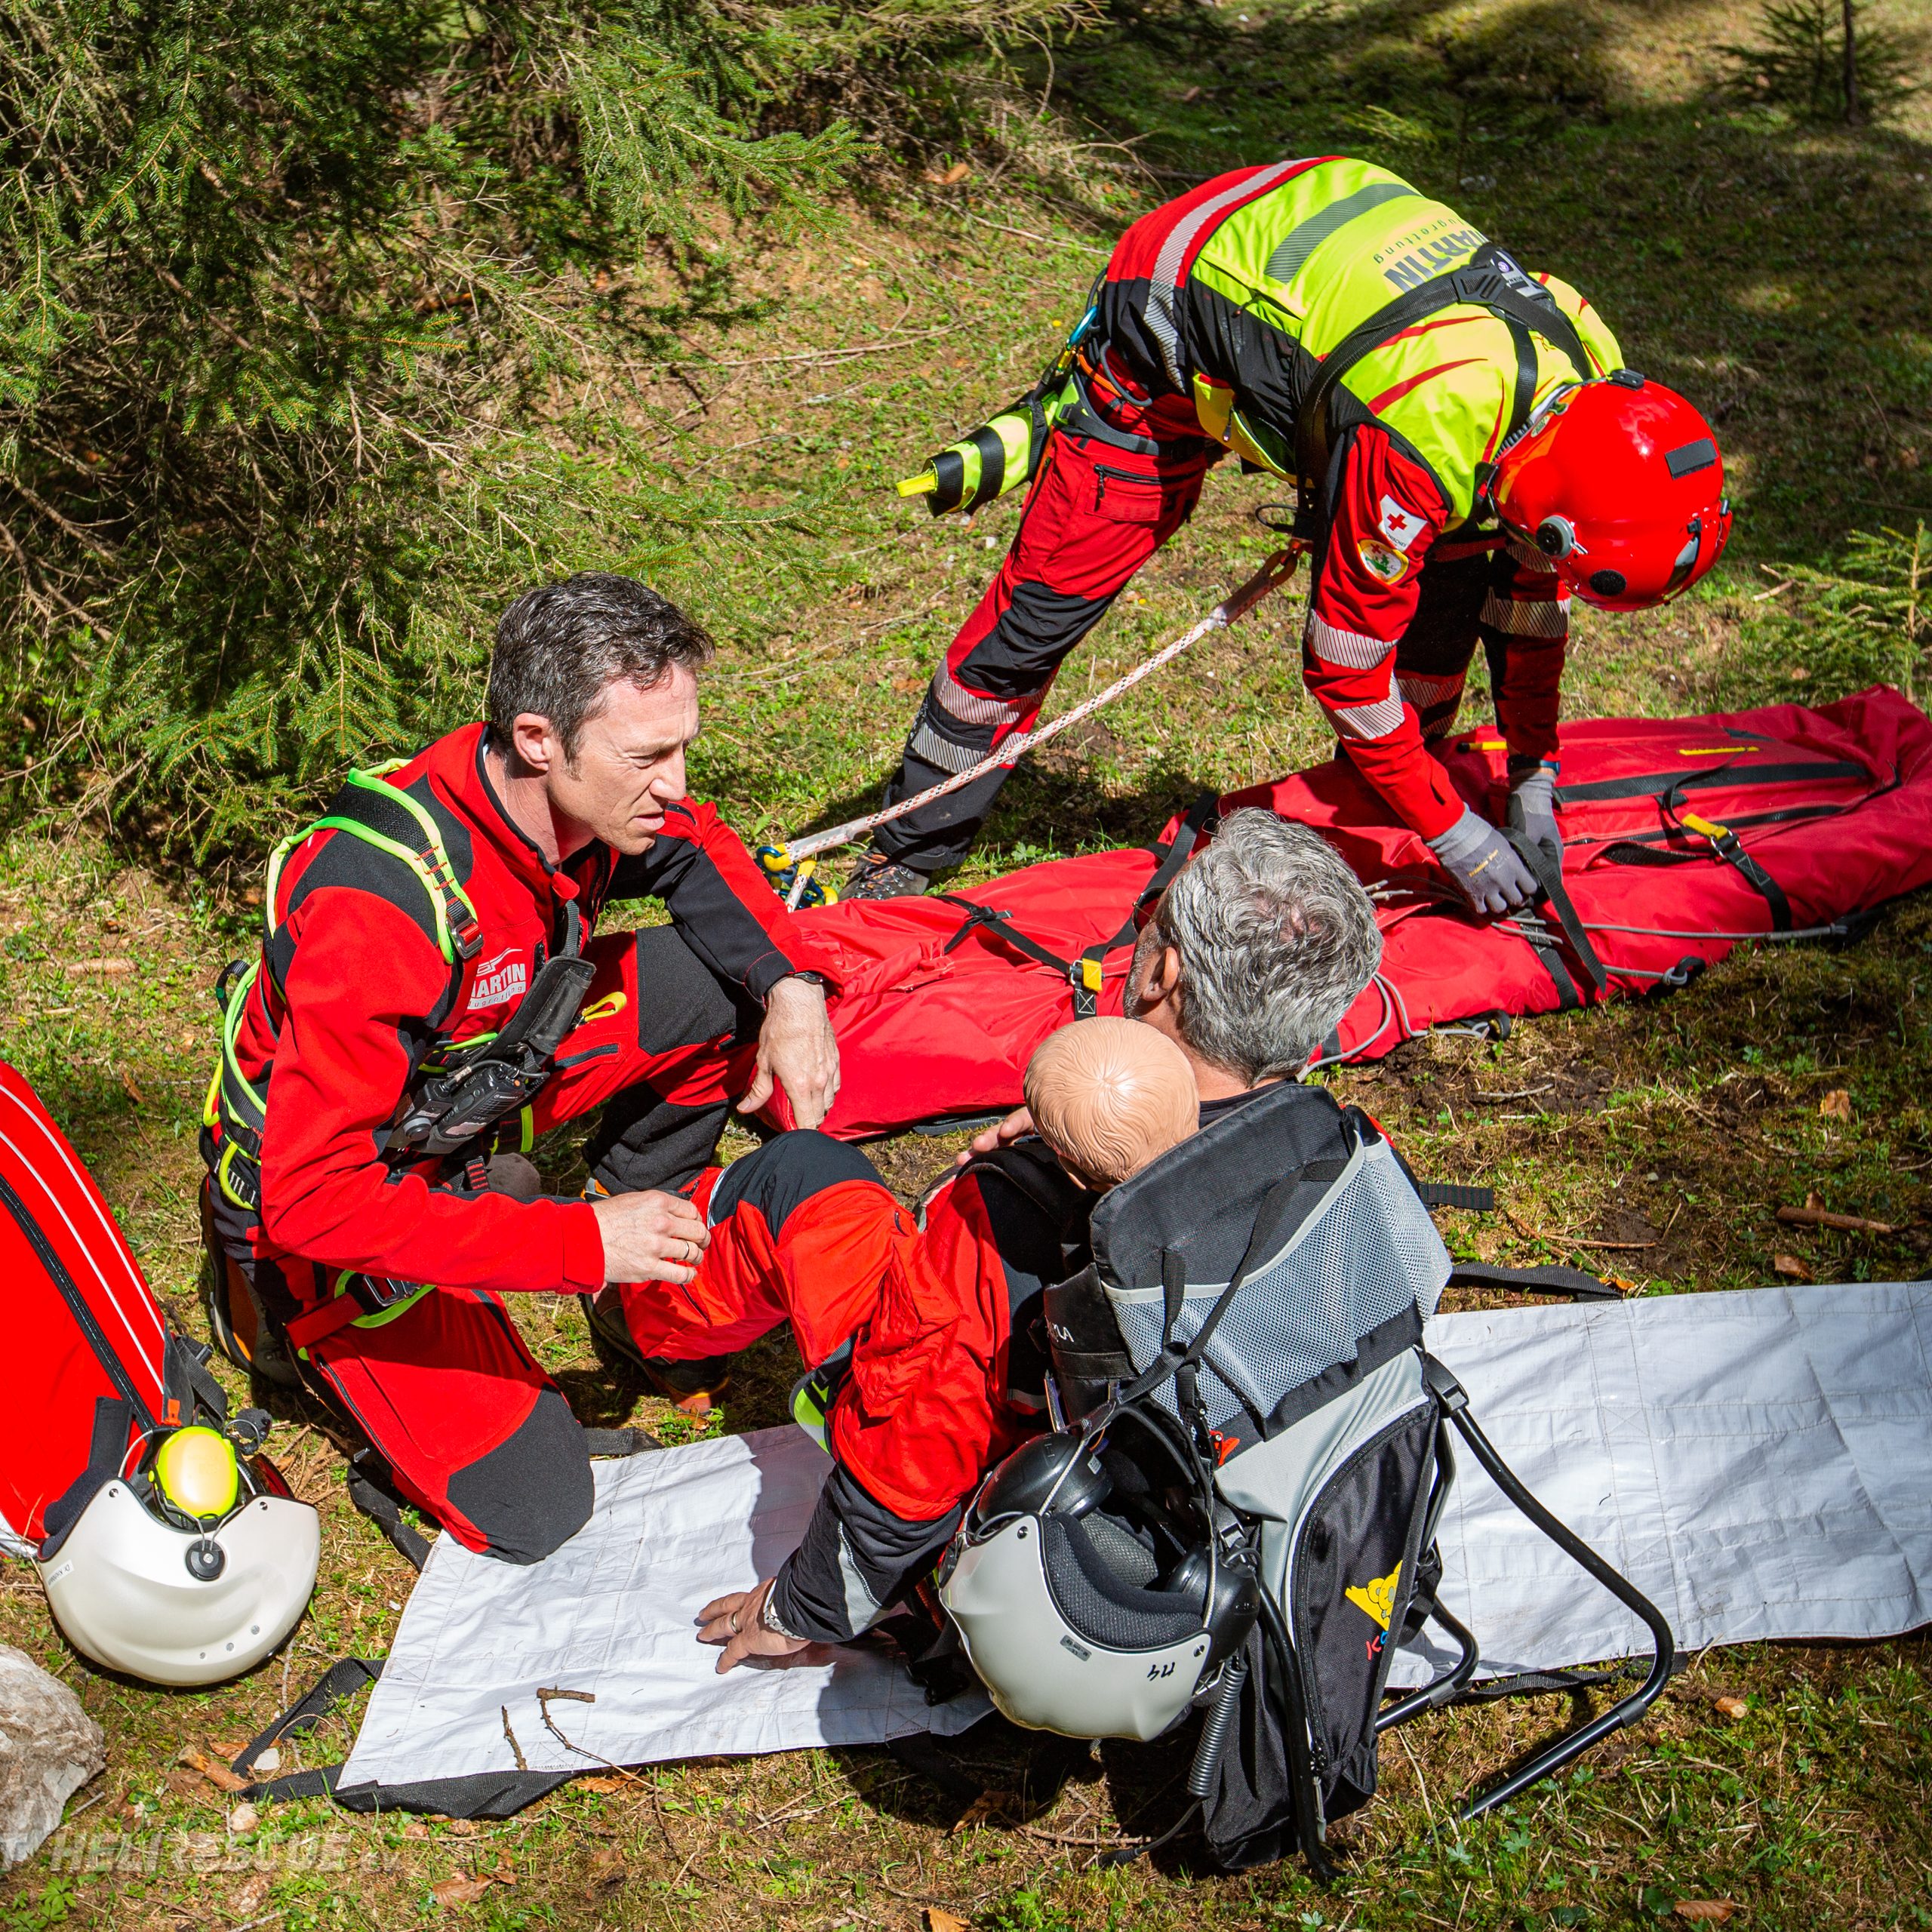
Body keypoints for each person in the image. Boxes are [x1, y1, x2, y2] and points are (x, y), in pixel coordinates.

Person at [848, 155, 1731, 915]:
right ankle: (907, 848)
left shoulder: (1594, 387)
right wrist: (1454, 832)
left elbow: (1528, 598)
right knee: (1049, 600)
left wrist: (1533, 770)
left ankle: (1380, 797)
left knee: (1459, 578)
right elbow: (1344, 667)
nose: (1546, 572)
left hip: (1331, 242)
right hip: (1178, 296)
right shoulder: (1419, 431)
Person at [591, 815, 1375, 1664]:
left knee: (798, 1174)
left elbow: (911, 1456)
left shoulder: (1014, 1212)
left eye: (1149, 921)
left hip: (1017, 1553)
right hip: (1203, 1532)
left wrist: (803, 1607)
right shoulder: (1336, 1154)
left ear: (1163, 975)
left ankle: (645, 1323)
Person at [200, 574, 841, 1563]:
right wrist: (579, 1242)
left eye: (682, 748)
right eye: (648, 756)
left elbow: (698, 847)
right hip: (330, 1202)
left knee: (725, 986)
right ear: (539, 739)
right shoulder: (383, 910)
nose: (675, 784)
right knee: (541, 1505)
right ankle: (274, 1326)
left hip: (469, 1090)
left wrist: (791, 986)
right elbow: (312, 1200)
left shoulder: (581, 805)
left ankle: (642, 1281)